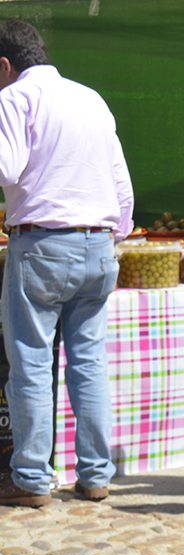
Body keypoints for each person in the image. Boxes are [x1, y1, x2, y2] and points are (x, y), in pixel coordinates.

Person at [0, 20, 133, 508]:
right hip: (99, 245)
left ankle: (33, 480)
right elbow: (122, 185)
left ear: (4, 65)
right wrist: (110, 233)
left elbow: (5, 167)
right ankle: (96, 476)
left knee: (31, 364)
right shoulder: (90, 98)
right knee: (89, 363)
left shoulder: (13, 98)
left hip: (42, 245)